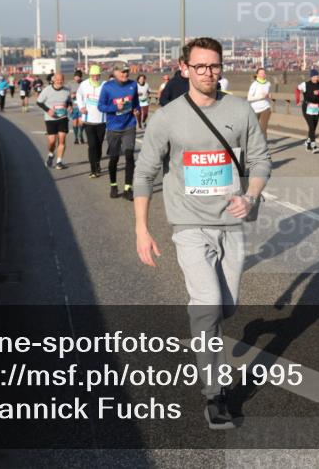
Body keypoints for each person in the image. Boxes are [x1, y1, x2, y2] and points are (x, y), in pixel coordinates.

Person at [133, 36, 271, 429]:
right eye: (200, 67)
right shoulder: (167, 118)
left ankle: (208, 331)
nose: (208, 73)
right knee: (208, 303)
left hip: (231, 226)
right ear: (184, 69)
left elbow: (261, 160)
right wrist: (142, 229)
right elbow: (144, 175)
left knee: (225, 307)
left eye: (214, 66)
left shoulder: (240, 111)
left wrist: (251, 196)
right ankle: (214, 394)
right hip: (190, 226)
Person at [98, 62, 141, 199]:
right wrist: (116, 108)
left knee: (129, 156)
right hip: (113, 128)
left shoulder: (133, 85)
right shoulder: (107, 87)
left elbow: (136, 103)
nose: (125, 74)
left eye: (127, 72)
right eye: (122, 72)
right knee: (114, 158)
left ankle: (128, 188)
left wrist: (137, 110)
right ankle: (113, 185)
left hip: (129, 125)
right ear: (115, 72)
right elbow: (101, 106)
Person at [36, 72, 73, 170]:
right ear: (53, 80)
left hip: (63, 118)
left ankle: (59, 161)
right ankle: (51, 154)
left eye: (61, 80)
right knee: (52, 141)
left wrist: (70, 106)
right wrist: (48, 110)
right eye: (57, 80)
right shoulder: (47, 90)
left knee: (62, 139)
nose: (59, 81)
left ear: (63, 80)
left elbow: (69, 101)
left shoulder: (66, 90)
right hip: (50, 119)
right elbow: (39, 102)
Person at [76, 65, 108, 178]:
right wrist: (81, 107)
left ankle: (98, 162)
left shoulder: (105, 85)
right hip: (88, 120)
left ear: (100, 75)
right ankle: (93, 169)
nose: (95, 77)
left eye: (97, 75)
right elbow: (78, 95)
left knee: (99, 145)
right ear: (90, 75)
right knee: (92, 145)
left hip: (101, 121)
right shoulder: (84, 84)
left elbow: (110, 98)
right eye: (93, 75)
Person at [295, 69, 319, 153]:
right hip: (307, 107)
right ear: (310, 77)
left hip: (317, 107)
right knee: (311, 126)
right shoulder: (305, 84)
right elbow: (297, 89)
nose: (315, 78)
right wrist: (298, 100)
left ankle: (308, 142)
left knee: (313, 127)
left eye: (316, 76)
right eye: (313, 76)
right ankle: (314, 146)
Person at [246, 67, 272, 138]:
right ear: (257, 75)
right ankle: (252, 144)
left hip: (265, 108)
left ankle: (264, 146)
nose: (262, 74)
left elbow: (269, 93)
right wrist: (260, 97)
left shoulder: (268, 83)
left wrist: (269, 95)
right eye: (260, 73)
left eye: (263, 73)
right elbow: (249, 98)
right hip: (255, 109)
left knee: (264, 128)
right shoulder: (254, 84)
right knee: (253, 128)